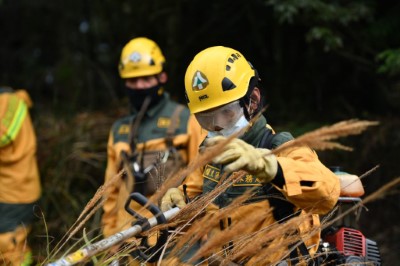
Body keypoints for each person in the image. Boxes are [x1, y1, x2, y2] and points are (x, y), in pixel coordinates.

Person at [161, 46, 341, 265]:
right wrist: (180, 201)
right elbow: (197, 202)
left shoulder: (280, 147)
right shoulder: (210, 158)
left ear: (252, 101)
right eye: (206, 119)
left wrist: (271, 167)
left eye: (225, 112)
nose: (216, 126)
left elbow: (327, 191)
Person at [101, 37, 205, 263]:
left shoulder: (186, 119)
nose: (139, 86)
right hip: (129, 239)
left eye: (146, 79)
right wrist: (111, 238)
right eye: (132, 80)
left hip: (174, 239)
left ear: (162, 77)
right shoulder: (119, 129)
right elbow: (110, 191)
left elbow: (202, 174)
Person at [0, 87, 41, 265]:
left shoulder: (10, 100)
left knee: (9, 247)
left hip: (17, 191)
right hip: (5, 189)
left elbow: (4, 135)